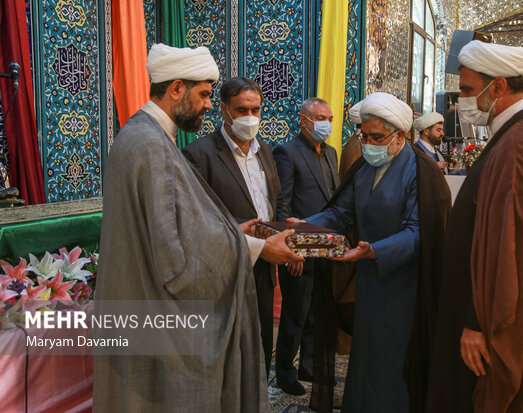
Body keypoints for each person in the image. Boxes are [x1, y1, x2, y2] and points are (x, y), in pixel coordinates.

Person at [95, 44, 302, 412]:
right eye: (205, 94)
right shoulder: (151, 146)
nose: (208, 104)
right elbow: (173, 253)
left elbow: (183, 224)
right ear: (177, 89)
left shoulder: (143, 136)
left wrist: (235, 234)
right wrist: (257, 248)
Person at [427, 40, 523, 413]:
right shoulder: (522, 134)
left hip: (489, 323)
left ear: (498, 87)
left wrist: (478, 324)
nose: (461, 99)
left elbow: (511, 249)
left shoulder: (519, 146)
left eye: (467, 90)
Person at [290, 92, 419, 412]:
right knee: (366, 358)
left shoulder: (418, 171)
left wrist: (374, 250)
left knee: (392, 361)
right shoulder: (365, 168)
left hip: (400, 283)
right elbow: (341, 215)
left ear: (399, 136)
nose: (368, 144)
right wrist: (304, 225)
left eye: (376, 137)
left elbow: (418, 232)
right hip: (368, 280)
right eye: (365, 136)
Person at [182, 76, 290, 378]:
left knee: (259, 349)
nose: (250, 117)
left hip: (264, 268)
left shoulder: (264, 151)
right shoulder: (199, 154)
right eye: (242, 110)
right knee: (228, 356)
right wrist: (241, 235)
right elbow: (197, 217)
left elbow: (276, 198)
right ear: (223, 110)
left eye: (256, 110)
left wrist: (283, 233)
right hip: (226, 269)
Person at [272, 97, 340, 396]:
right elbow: (282, 204)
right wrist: (292, 246)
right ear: (304, 120)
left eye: (329, 118)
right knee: (295, 313)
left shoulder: (331, 153)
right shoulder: (287, 152)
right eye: (320, 117)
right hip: (298, 247)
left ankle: (309, 366)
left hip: (325, 244)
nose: (325, 123)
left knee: (317, 310)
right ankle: (285, 371)